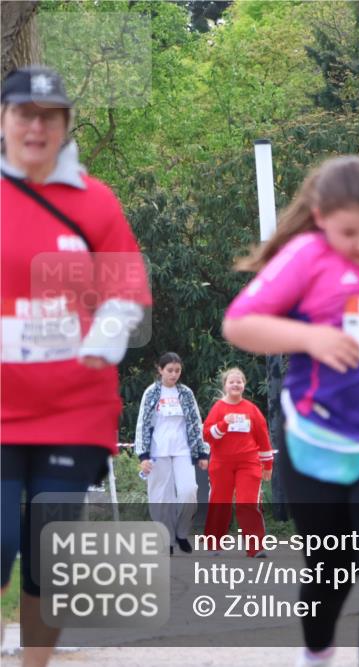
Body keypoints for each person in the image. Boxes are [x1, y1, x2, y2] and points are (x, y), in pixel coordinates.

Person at [222, 155, 359, 667]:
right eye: (349, 232)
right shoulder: (305, 256)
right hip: (316, 437)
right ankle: (317, 650)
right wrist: (311, 337)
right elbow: (240, 324)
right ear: (321, 217)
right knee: (330, 565)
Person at [0, 66, 151, 666]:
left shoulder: (96, 202)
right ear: (4, 120)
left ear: (64, 127)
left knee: (48, 553)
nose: (36, 126)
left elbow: (128, 290)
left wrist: (106, 336)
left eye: (50, 116)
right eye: (24, 114)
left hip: (73, 409)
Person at [134, 352, 209, 556]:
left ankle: (181, 533)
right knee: (160, 497)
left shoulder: (186, 393)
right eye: (170, 370)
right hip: (158, 451)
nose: (174, 374)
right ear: (160, 370)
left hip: (183, 449)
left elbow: (195, 422)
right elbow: (142, 424)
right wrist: (143, 456)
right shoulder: (151, 392)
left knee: (189, 491)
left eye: (177, 371)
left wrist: (202, 453)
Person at [202, 367, 273, 557]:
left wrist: (267, 464)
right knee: (220, 502)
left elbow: (263, 438)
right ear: (225, 385)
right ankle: (214, 544)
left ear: (244, 385)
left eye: (239, 381)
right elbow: (208, 435)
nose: (235, 384)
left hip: (248, 463)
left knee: (247, 502)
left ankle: (256, 547)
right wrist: (224, 424)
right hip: (221, 464)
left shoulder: (252, 410)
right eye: (231, 381)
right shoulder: (218, 408)